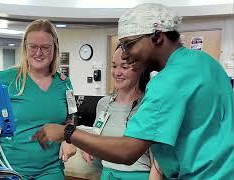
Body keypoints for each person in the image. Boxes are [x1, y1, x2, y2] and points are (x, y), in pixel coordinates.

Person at [32, 3, 234, 179]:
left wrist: (67, 133)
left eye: (129, 45)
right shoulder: (206, 62)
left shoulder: (168, 81)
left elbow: (128, 151)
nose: (126, 55)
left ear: (157, 37)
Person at [0, 19, 76, 180]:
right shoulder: (5, 79)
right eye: (33, 47)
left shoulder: (64, 82)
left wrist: (69, 139)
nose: (39, 53)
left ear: (55, 48)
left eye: (45, 47)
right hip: (10, 171)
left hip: (51, 171)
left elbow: (71, 118)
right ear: (25, 47)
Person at [80, 45, 161, 180]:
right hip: (107, 174)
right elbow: (97, 138)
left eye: (124, 67)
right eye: (114, 66)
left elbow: (157, 163)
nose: (117, 73)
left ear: (141, 69)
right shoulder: (103, 104)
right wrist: (87, 147)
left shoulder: (148, 107)